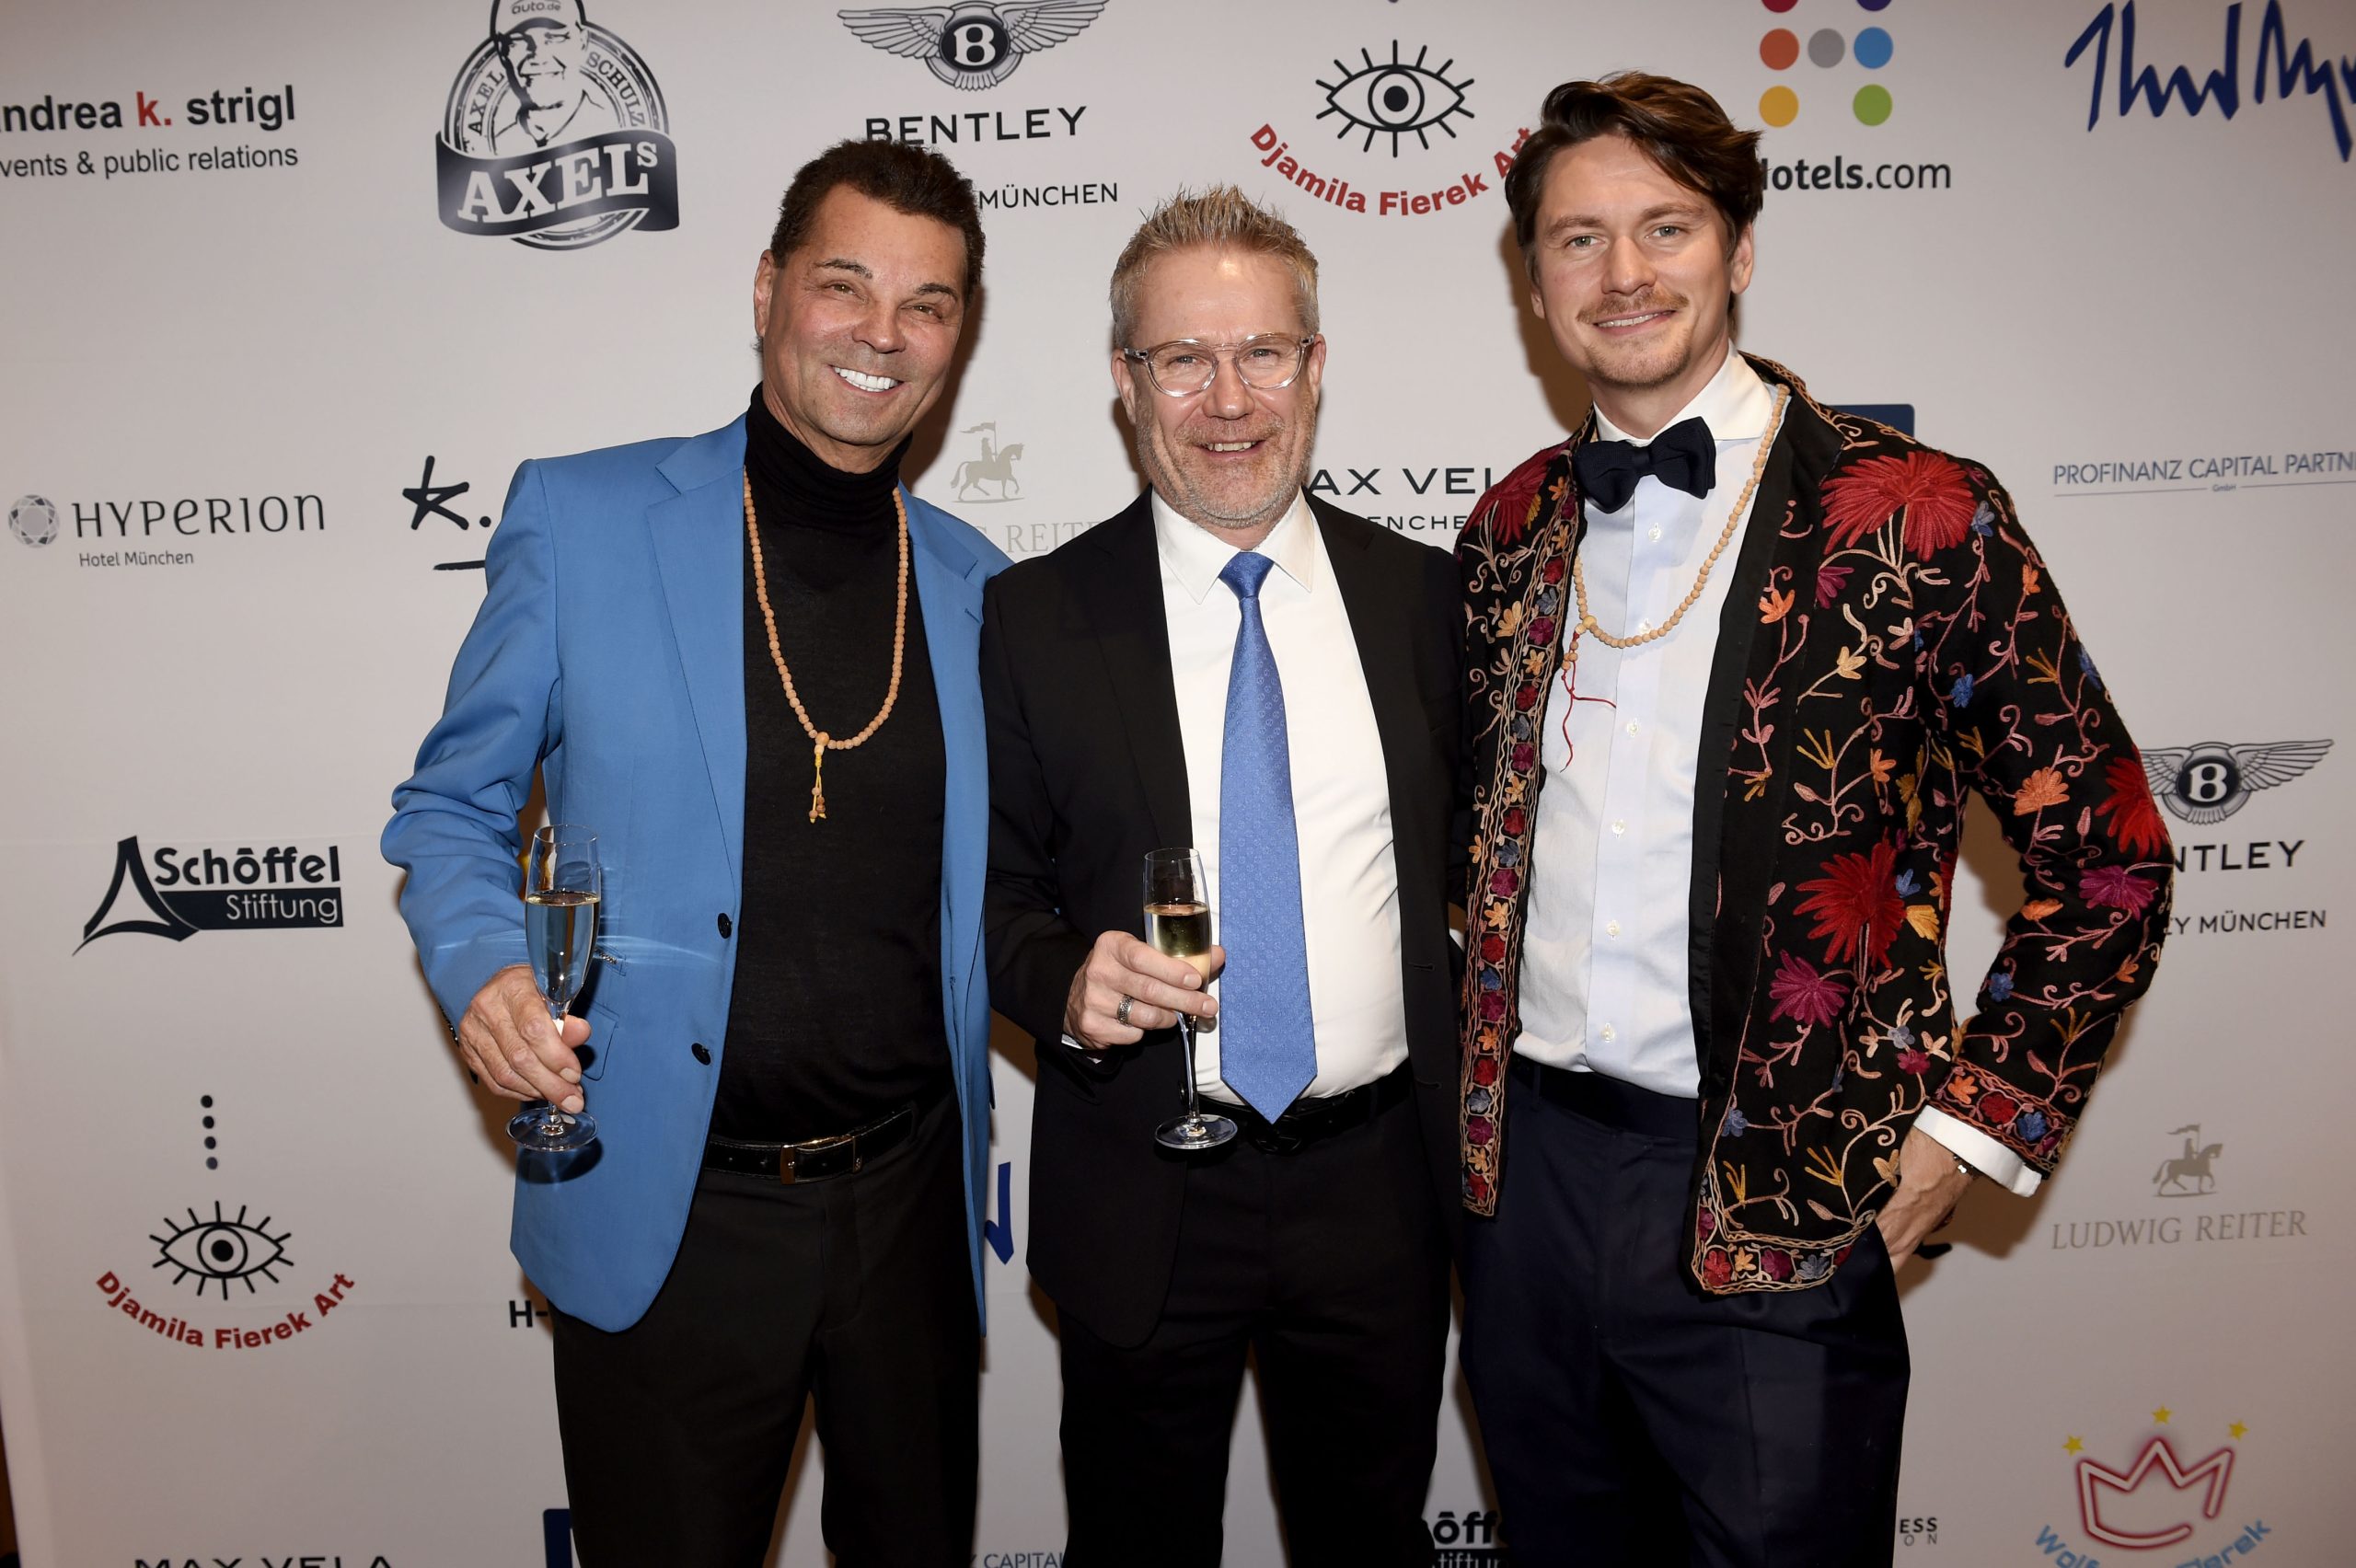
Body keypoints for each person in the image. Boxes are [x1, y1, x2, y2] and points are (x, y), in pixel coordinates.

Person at [1452, 74, 2173, 1566]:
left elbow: (2109, 856)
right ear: (1533, 282)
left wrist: (1974, 1125)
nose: (1624, 272)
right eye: (1579, 239)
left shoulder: (1916, 511)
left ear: (1739, 248)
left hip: (1786, 1190)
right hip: (1528, 1190)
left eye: (1666, 227)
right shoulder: (1510, 526)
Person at [382, 138, 1007, 1567]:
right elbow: (452, 805)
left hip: (914, 1214)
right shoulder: (584, 518)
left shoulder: (977, 584)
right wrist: (484, 971)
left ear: (957, 336)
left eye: (926, 303)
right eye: (845, 284)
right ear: (768, 289)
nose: (882, 333)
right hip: (674, 1209)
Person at [981, 187, 1461, 1567]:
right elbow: (990, 898)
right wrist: (1063, 986)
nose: (1229, 398)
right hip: (1145, 1184)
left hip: (1379, 1190)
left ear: (1316, 366)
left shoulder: (1428, 601)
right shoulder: (1033, 617)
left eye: (1262, 352)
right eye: (1183, 359)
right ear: (1126, 384)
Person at [479, 0, 620, 153]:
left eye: (555, 37)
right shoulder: (494, 149)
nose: (539, 56)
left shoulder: (613, 132)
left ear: (583, 42)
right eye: (518, 40)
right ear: (501, 51)